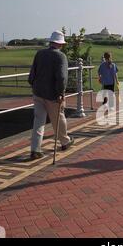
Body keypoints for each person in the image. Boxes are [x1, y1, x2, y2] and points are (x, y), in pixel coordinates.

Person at [28, 30, 74, 160]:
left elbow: (32, 73)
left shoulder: (40, 53)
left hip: (38, 92)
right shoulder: (61, 56)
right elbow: (62, 77)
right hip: (53, 95)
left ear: (51, 42)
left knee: (38, 121)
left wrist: (33, 84)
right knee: (58, 119)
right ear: (60, 44)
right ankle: (65, 141)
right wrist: (61, 93)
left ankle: (35, 149)